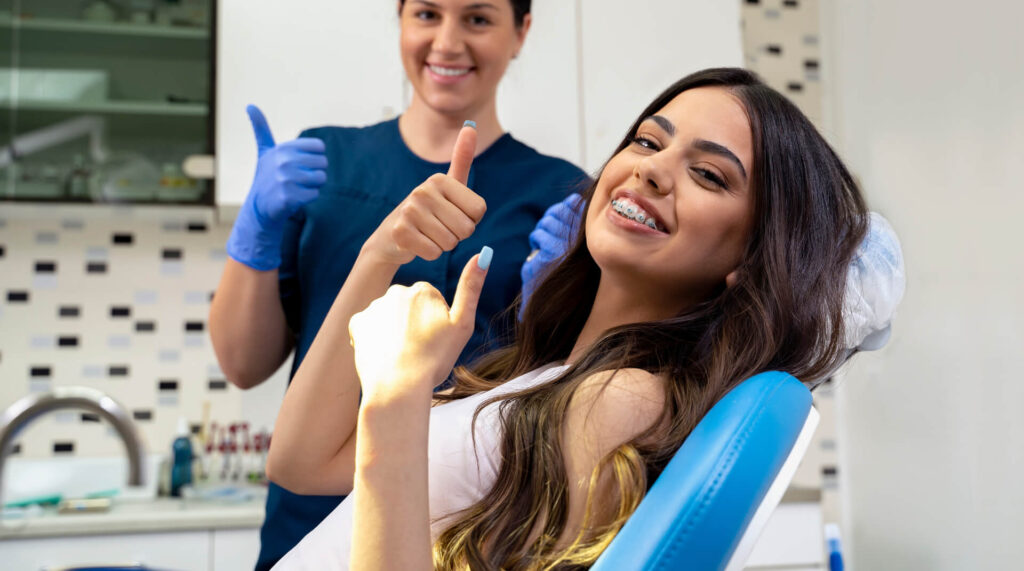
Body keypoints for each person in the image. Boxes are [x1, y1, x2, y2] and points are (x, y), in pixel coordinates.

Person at [264, 67, 903, 570]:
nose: (650, 168)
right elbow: (300, 462)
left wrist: (396, 395)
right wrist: (384, 252)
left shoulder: (622, 398)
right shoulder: (552, 374)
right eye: (648, 140)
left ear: (752, 256)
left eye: (708, 174)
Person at [207, 0, 587, 569]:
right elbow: (244, 364)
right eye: (426, 14)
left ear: (521, 31)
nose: (447, 41)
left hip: (465, 528)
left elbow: (563, 412)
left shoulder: (559, 195)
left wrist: (550, 316)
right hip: (309, 525)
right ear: (400, 16)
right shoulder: (327, 164)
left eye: (478, 18)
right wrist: (256, 235)